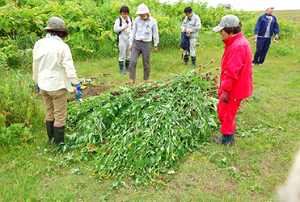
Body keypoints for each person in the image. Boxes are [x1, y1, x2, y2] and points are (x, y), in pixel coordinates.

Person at [33, 16, 82, 147]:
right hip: (57, 86)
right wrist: (76, 84)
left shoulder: (39, 43)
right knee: (59, 115)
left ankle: (51, 140)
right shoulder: (62, 47)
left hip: (43, 85)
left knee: (49, 112)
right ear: (62, 32)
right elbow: (69, 68)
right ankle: (59, 143)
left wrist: (37, 81)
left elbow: (35, 65)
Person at [212, 15, 253, 145]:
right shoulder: (237, 42)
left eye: (221, 30)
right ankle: (230, 134)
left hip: (235, 87)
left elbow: (231, 72)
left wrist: (225, 90)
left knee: (225, 112)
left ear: (230, 30)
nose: (220, 33)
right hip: (236, 85)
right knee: (228, 111)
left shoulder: (237, 46)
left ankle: (227, 139)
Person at [128, 3, 159, 84]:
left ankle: (145, 79)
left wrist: (155, 44)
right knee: (132, 61)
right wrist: (131, 43)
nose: (141, 15)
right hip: (137, 43)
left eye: (142, 14)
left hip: (146, 43)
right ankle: (132, 79)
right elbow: (133, 32)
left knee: (146, 62)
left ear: (146, 13)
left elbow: (155, 33)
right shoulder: (136, 20)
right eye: (139, 14)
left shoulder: (153, 21)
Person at [114, 6, 133, 75]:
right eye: (123, 14)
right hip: (122, 39)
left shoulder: (130, 19)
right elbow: (115, 30)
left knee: (129, 54)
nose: (124, 15)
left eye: (125, 14)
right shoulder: (118, 20)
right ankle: (121, 68)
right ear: (121, 14)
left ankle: (127, 66)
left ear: (128, 13)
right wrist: (123, 27)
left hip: (129, 39)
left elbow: (132, 28)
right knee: (122, 54)